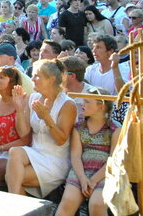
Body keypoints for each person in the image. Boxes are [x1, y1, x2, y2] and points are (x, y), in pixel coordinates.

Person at [6, 59, 77, 198]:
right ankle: (15, 207)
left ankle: (13, 206)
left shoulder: (67, 104)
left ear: (51, 79)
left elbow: (61, 140)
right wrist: (19, 109)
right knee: (15, 152)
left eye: (37, 76)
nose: (32, 79)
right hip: (35, 152)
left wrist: (46, 117)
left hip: (55, 159)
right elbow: (23, 132)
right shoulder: (34, 97)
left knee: (12, 176)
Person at [55, 87, 120, 216]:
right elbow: (75, 156)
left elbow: (114, 159)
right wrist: (83, 179)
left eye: (87, 102)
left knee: (96, 204)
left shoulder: (115, 129)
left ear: (101, 107)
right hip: (81, 171)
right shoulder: (79, 127)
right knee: (68, 201)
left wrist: (94, 180)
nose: (82, 104)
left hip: (105, 173)